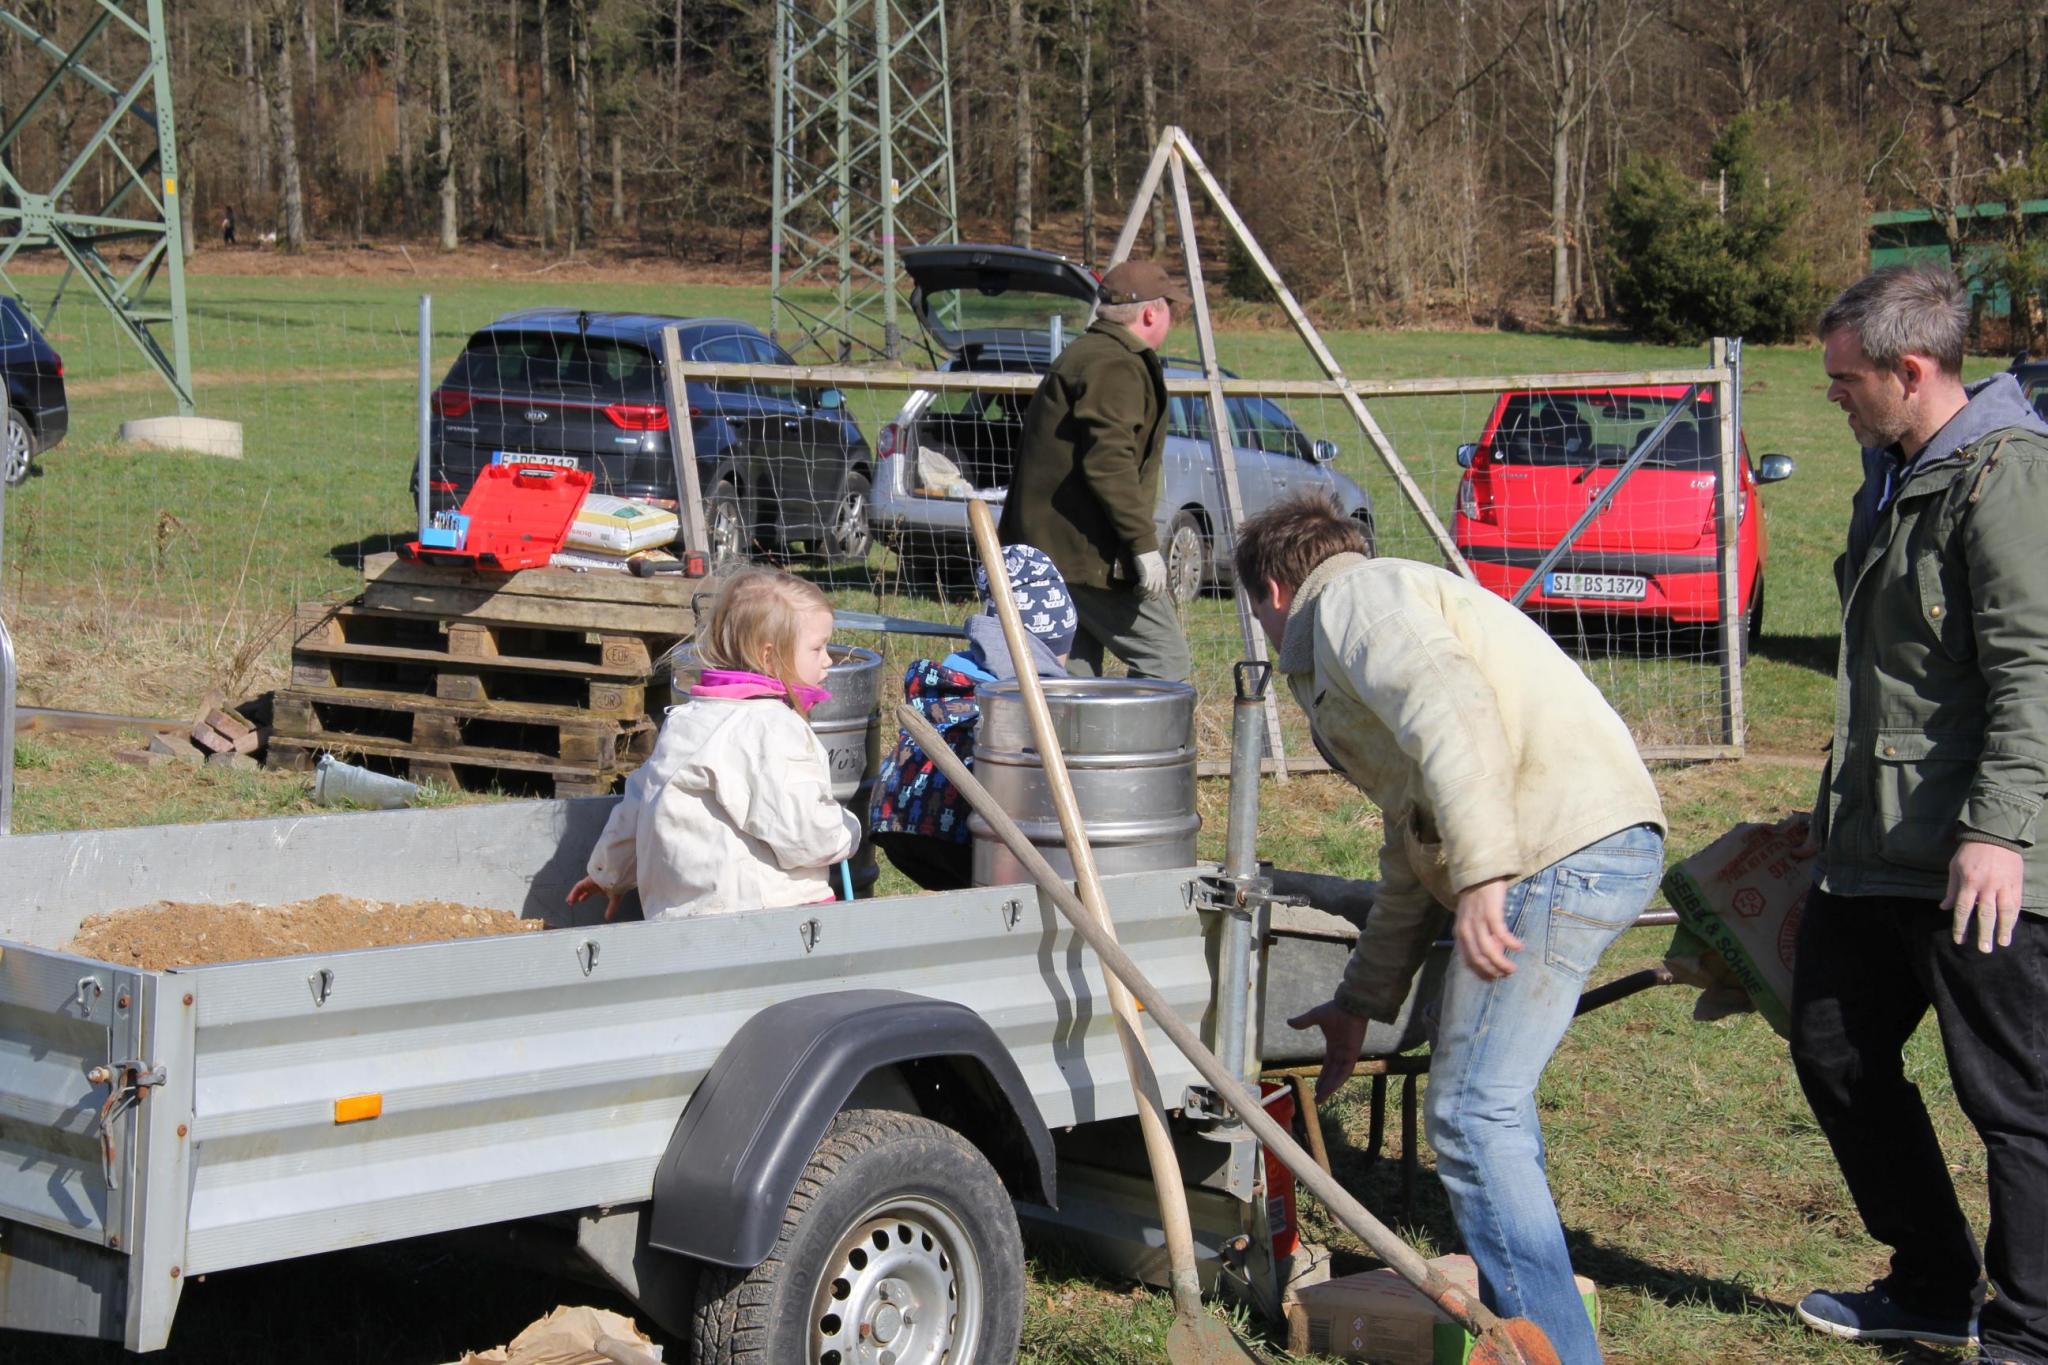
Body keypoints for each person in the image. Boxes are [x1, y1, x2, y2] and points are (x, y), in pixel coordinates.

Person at [1245, 491, 1665, 1365]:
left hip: (1558, 845)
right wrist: (1360, 1000)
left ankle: (1558, 1354)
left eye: (1253, 609)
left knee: (1473, 1114)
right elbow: (1415, 842)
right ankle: (1543, 1313)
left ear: (1275, 592)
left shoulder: (1355, 603)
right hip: (1575, 836)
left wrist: (1483, 877)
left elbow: (1452, 710)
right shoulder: (1366, 615)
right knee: (1493, 1108)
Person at [1784, 264, 2048, 1365]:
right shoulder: (1893, 470)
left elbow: (2033, 667)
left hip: (1980, 856)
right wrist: (1825, 815)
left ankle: (2029, 1333)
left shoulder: (2005, 477)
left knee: (2011, 1099)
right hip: (1877, 846)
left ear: (1909, 368)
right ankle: (1933, 1282)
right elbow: (1889, 677)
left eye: (1846, 378)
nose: (1833, 395)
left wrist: (1998, 831)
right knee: (1832, 1048)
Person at [569, 567, 860, 921]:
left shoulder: (685, 720)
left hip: (682, 917)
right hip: (770, 917)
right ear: (770, 657)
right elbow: (803, 831)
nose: (828, 659)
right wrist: (846, 830)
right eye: (817, 648)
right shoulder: (770, 728)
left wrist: (608, 873)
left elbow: (641, 803)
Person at [998, 257, 1194, 683]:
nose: (1173, 320)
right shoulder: (1116, 364)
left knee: (1076, 676)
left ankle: (1072, 752)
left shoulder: (1088, 354)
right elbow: (1108, 460)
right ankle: (1138, 751)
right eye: (1171, 310)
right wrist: (1143, 546)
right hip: (1087, 558)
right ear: (1150, 313)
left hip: (1052, 551)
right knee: (1166, 661)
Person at [869, 544, 1078, 891]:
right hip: (966, 833)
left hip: (897, 818)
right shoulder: (1036, 690)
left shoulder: (956, 671)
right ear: (1052, 645)